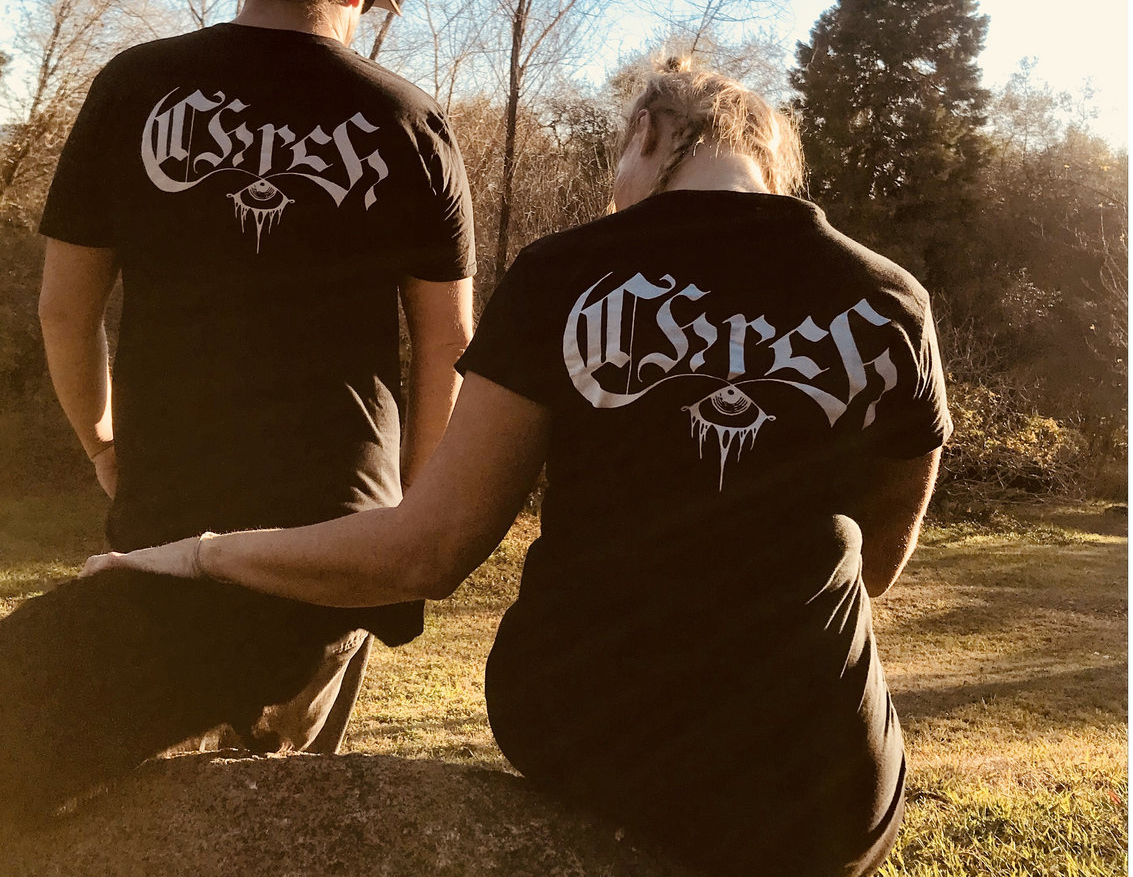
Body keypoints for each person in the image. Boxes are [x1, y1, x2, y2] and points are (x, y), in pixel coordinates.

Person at [83, 58, 949, 876]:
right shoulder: (889, 299)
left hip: (595, 733)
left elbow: (427, 552)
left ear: (648, 132)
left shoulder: (565, 274)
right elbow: (877, 561)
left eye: (619, 160)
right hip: (825, 777)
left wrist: (200, 554)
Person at [0, 0, 475, 819]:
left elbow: (65, 310)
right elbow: (449, 341)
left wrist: (104, 445)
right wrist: (410, 518)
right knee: (287, 809)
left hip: (171, 502)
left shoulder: (133, 86)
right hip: (337, 529)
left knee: (126, 801)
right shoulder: (410, 119)